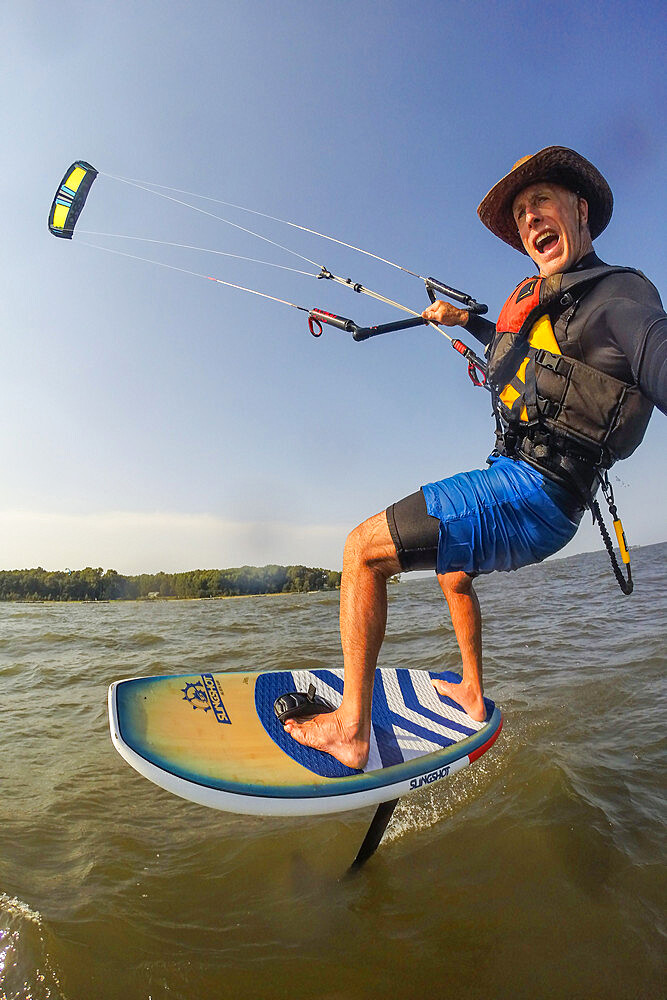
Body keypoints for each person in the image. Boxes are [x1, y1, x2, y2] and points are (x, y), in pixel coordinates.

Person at [284, 146, 667, 769]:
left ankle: (350, 731)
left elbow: (656, 353)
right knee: (452, 572)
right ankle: (469, 687)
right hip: (535, 492)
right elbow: (521, 357)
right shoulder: (556, 308)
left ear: (581, 208)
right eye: (520, 214)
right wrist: (465, 321)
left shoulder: (618, 297)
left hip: (532, 491)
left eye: (541, 201)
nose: (530, 219)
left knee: (360, 551)